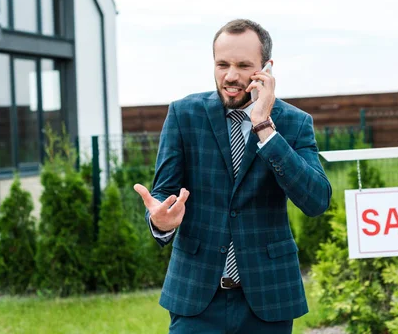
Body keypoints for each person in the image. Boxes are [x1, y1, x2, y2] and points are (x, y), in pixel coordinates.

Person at [134, 18, 332, 333]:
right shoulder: (184, 115)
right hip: (196, 296)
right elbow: (163, 194)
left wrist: (264, 127)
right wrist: (160, 222)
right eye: (222, 64)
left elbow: (317, 200)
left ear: (266, 68)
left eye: (243, 65)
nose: (231, 76)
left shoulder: (295, 123)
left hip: (270, 297)